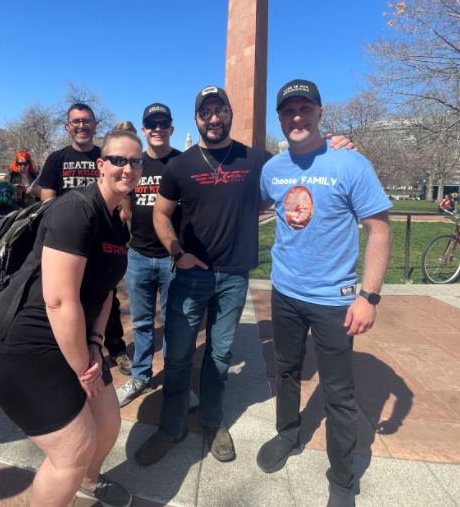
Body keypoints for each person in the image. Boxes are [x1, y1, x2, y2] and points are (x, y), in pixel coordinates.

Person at [135, 86, 352, 467]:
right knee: (180, 357)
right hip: (190, 276)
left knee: (219, 356)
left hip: (235, 277)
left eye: (220, 110)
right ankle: (170, 429)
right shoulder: (180, 166)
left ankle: (213, 423)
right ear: (197, 118)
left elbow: (297, 169)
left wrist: (332, 144)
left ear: (230, 113)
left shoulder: (258, 161)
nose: (214, 118)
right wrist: (176, 252)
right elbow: (161, 215)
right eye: (206, 112)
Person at [0, 128, 141, 507]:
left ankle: (88, 483)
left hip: (72, 336)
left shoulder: (116, 220)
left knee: (107, 423)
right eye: (119, 159)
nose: (127, 168)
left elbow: (104, 292)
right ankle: (73, 478)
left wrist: (96, 343)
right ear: (101, 165)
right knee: (72, 450)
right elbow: (58, 301)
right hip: (22, 342)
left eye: (135, 161)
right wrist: (84, 368)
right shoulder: (76, 210)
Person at [256, 79, 392, 507]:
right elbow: (262, 206)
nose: (297, 117)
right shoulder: (272, 170)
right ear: (280, 118)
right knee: (286, 369)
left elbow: (380, 229)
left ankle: (343, 477)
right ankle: (288, 435)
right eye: (288, 111)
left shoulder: (351, 164)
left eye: (304, 109)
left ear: (319, 112)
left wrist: (368, 296)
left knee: (338, 392)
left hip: (336, 300)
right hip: (286, 292)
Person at [37, 103, 131, 375]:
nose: (81, 126)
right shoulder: (57, 159)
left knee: (107, 297)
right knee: (66, 296)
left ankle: (116, 348)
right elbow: (47, 201)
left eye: (86, 121)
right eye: (76, 121)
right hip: (68, 242)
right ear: (68, 126)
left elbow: (123, 195)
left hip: (104, 243)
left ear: (94, 125)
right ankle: (68, 349)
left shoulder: (107, 156)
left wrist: (116, 223)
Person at [115, 104, 183, 407]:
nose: (157, 128)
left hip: (172, 257)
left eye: (163, 123)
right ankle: (141, 376)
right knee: (142, 323)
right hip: (139, 255)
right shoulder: (135, 164)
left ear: (171, 128)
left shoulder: (183, 163)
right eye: (151, 124)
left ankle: (173, 378)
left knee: (173, 324)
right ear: (143, 130)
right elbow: (124, 204)